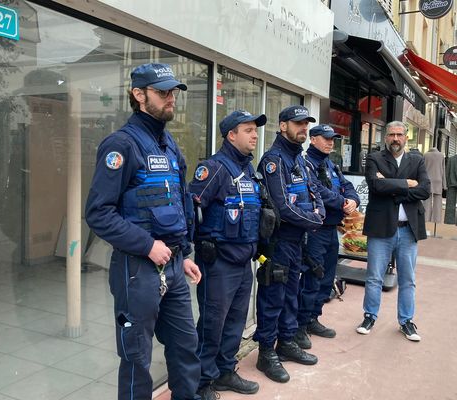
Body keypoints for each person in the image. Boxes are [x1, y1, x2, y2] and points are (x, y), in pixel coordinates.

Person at [85, 63, 202, 400]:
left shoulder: (169, 147)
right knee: (137, 358)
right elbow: (98, 213)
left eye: (173, 93)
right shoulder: (120, 145)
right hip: (138, 269)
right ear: (139, 95)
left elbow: (179, 204)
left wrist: (184, 255)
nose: (171, 99)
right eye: (163, 92)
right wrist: (148, 245)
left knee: (185, 347)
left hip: (174, 266)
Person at [188, 110, 268, 399]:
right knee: (212, 324)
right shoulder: (215, 169)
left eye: (255, 130)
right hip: (218, 263)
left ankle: (224, 371)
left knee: (235, 321)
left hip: (243, 261)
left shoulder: (249, 171)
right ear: (231, 135)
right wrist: (194, 245)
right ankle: (200, 382)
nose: (255, 135)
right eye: (248, 130)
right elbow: (191, 209)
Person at [254, 105, 325, 383]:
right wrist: (315, 220)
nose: (303, 128)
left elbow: (315, 193)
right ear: (283, 125)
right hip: (279, 242)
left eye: (306, 124)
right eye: (298, 123)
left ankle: (286, 342)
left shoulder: (301, 160)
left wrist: (317, 214)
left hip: (298, 241)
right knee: (273, 297)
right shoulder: (274, 160)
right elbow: (282, 207)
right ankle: (265, 353)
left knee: (292, 294)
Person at [355, 121, 430, 342]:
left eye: (399, 134)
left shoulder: (417, 160)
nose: (395, 138)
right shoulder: (374, 158)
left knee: (408, 279)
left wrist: (392, 187)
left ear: (406, 137)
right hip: (381, 229)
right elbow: (375, 186)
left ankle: (406, 321)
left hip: (408, 231)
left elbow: (425, 189)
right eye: (391, 135)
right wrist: (408, 183)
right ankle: (369, 316)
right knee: (374, 278)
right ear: (385, 137)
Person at [295, 124, 360, 350]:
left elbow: (347, 186)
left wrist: (353, 200)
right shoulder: (304, 164)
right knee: (312, 277)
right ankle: (299, 326)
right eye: (326, 138)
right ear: (313, 139)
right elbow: (317, 191)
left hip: (332, 229)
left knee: (326, 277)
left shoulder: (331, 164)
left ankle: (313, 317)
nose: (331, 142)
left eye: (333, 139)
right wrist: (342, 201)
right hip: (315, 230)